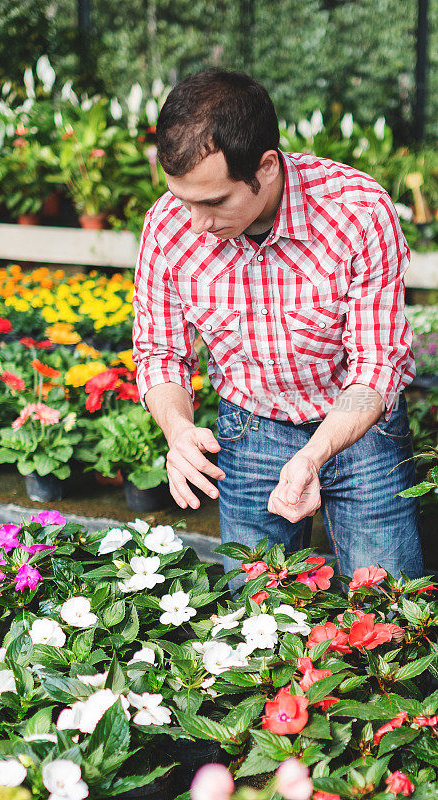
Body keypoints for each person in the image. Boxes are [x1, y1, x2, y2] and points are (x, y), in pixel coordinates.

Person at [132, 68, 424, 585]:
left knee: (390, 617)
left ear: (266, 167)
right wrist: (177, 430)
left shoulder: (357, 210)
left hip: (363, 432)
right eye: (184, 201)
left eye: (216, 202)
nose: (196, 223)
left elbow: (377, 368)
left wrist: (314, 454)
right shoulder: (166, 227)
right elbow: (161, 353)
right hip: (250, 429)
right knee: (257, 625)